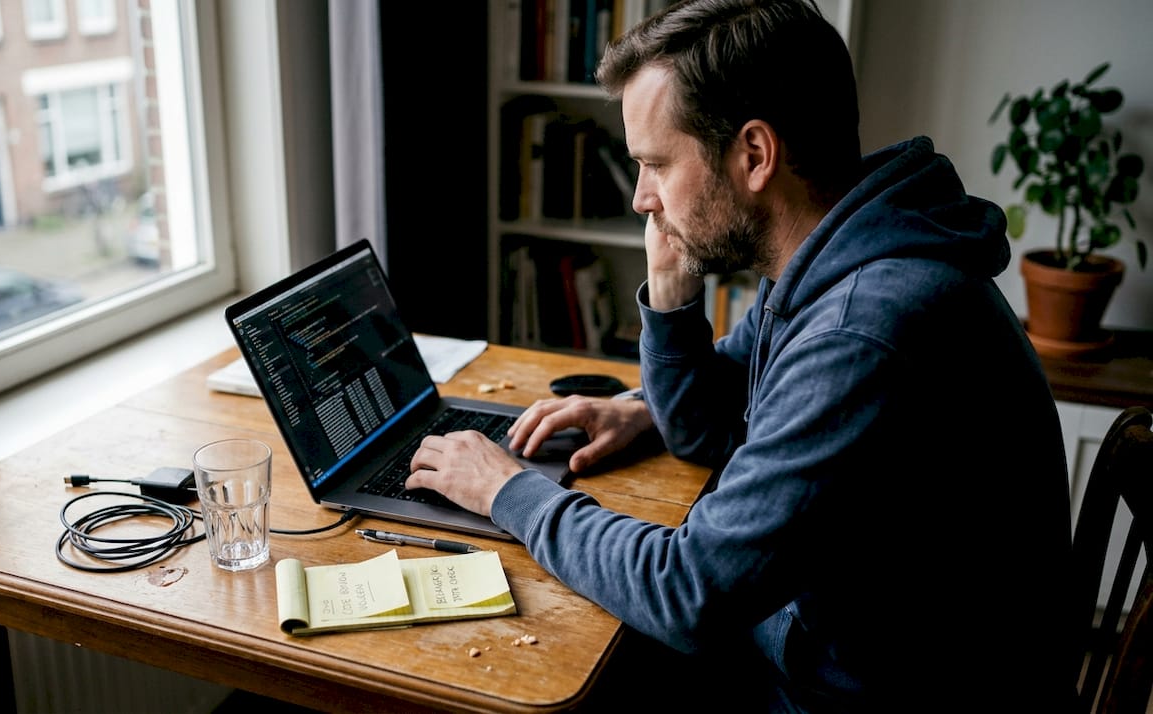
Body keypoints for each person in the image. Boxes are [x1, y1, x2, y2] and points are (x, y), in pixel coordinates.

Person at [406, 0, 1074, 710]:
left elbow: (687, 592)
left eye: (656, 164)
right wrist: (665, 309)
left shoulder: (865, 328)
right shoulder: (837, 250)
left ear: (754, 155)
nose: (640, 199)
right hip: (826, 652)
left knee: (527, 677)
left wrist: (507, 490)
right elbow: (702, 423)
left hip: (855, 693)